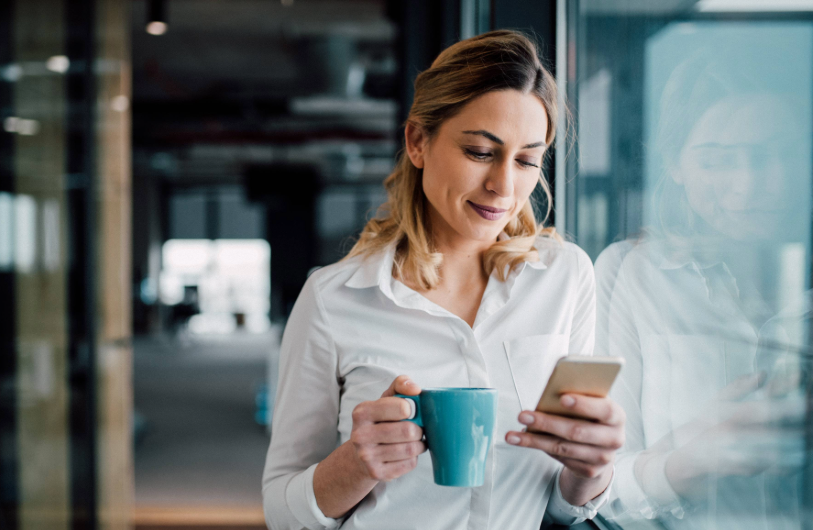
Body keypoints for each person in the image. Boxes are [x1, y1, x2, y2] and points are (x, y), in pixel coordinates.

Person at [262, 30, 625, 530]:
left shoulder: (564, 276)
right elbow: (282, 511)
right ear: (417, 142)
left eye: (525, 160)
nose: (503, 186)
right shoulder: (333, 298)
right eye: (480, 152)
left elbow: (562, 507)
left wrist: (592, 468)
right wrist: (355, 464)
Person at [595, 40, 809, 529]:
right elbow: (598, 492)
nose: (749, 188)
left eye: (774, 157)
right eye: (716, 161)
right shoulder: (632, 275)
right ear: (675, 165)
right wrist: (693, 458)